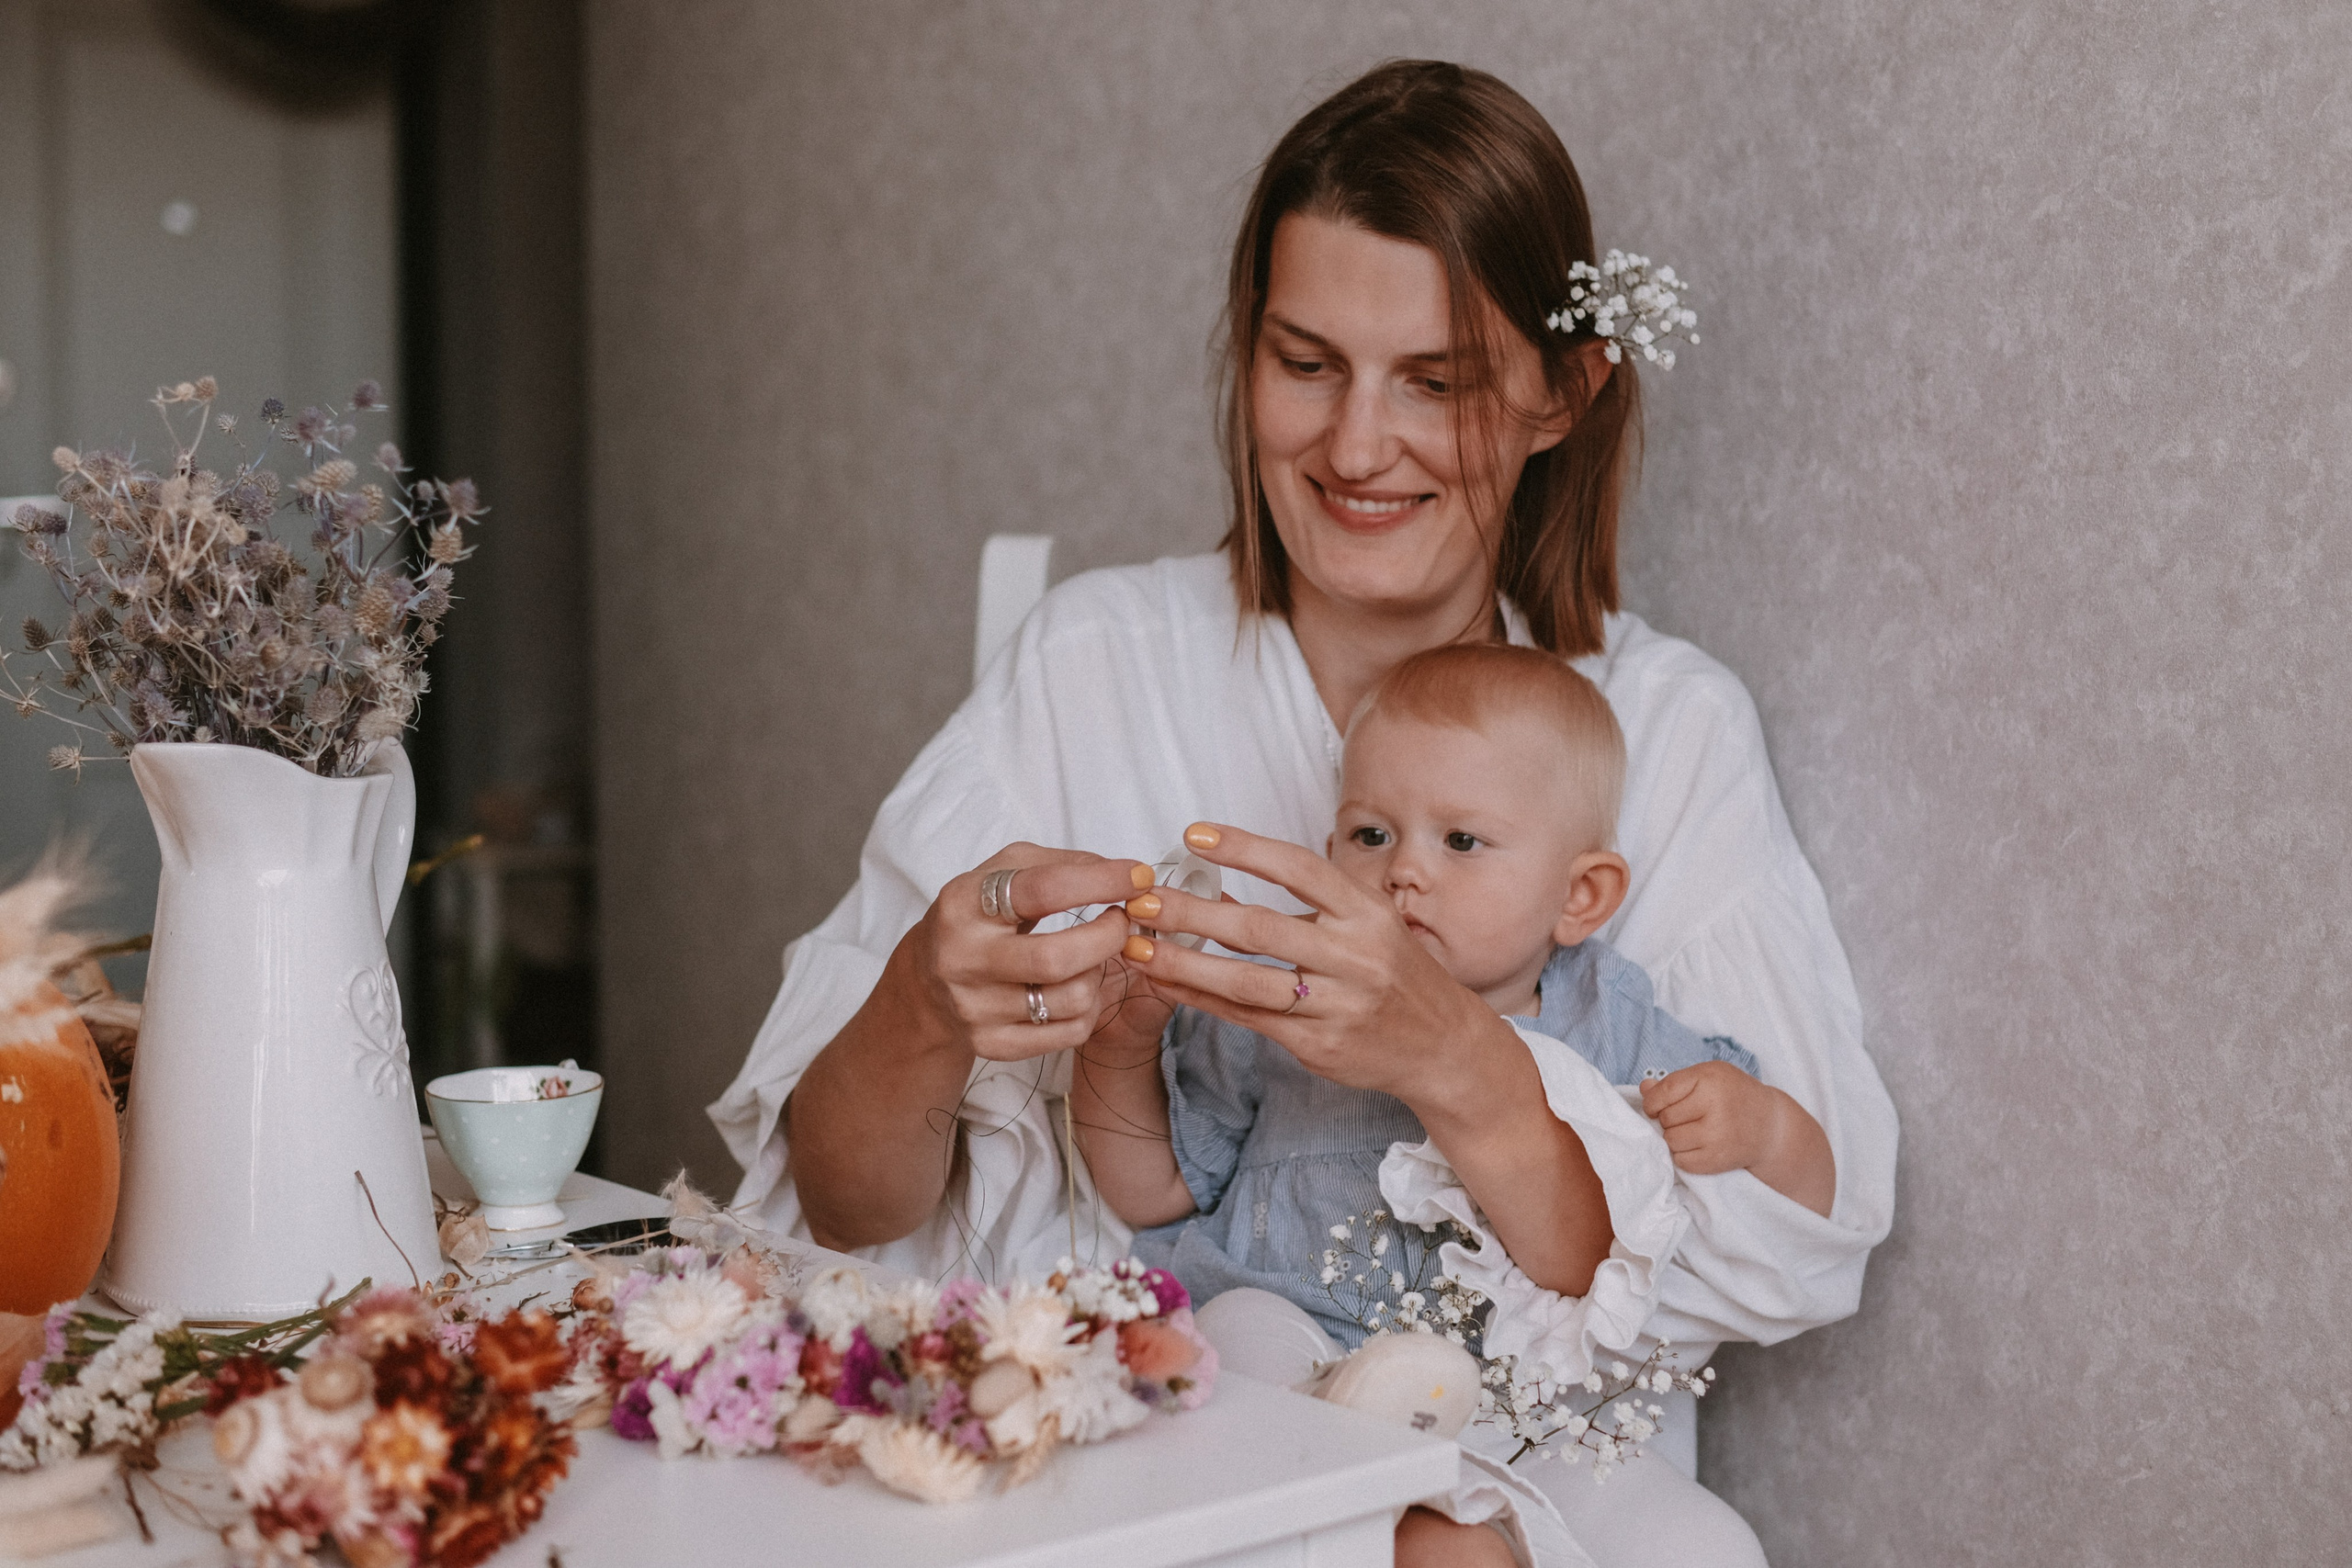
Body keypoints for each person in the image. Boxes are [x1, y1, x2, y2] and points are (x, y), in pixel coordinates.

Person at [713, 59, 1898, 1567]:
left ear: (1561, 394)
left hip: (1521, 1489)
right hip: (1134, 1470)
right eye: (1306, 361)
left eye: (1439, 381)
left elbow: (1806, 1242)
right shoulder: (1096, 663)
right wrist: (916, 1010)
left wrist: (1466, 1069)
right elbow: (842, 1199)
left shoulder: (1660, 730)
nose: (1353, 446)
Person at [1071, 642, 1836, 1361]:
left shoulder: (1607, 1017)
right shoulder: (1280, 992)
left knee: (1462, 1396)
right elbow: (1154, 1192)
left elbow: (1806, 1209)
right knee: (1239, 1329)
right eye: (1370, 833)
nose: (1403, 869)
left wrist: (1763, 1128)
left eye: (1461, 842)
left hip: (1476, 1404)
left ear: (1579, 895)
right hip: (1272, 1360)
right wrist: (1116, 1041)